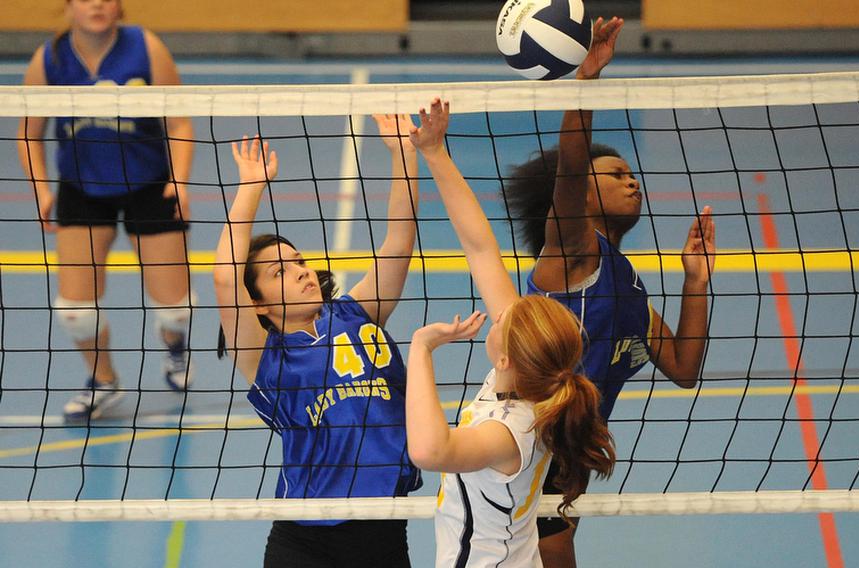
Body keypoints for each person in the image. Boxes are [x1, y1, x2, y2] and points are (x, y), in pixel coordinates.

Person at [501, 17, 717, 567]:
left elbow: (685, 366)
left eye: (631, 173)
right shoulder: (572, 254)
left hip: (569, 458)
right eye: (616, 173)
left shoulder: (629, 288)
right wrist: (586, 84)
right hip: (526, 450)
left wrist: (695, 281)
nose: (632, 180)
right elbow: (569, 173)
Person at [407, 99, 615, 568]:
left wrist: (421, 348)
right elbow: (480, 247)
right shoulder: (526, 386)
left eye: (504, 320)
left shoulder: (509, 430)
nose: (498, 314)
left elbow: (428, 449)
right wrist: (436, 153)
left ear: (506, 357)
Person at [214, 115, 422, 567]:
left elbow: (399, 242)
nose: (303, 270)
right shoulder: (265, 358)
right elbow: (224, 279)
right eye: (280, 272)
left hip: (383, 529)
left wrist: (402, 152)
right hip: (304, 537)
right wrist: (251, 186)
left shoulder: (356, 312)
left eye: (300, 261)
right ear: (259, 306)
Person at [16, 0, 195, 422]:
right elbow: (28, 132)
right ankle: (104, 381)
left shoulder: (146, 48)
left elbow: (180, 122)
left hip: (149, 185)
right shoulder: (49, 60)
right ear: (68, 6)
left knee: (176, 308)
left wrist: (180, 182)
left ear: (119, 6)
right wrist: (42, 190)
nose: (96, 3)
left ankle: (175, 346)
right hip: (81, 189)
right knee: (75, 311)